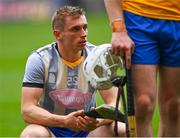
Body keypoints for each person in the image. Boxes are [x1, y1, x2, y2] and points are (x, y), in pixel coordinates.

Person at [20, 6, 125, 137]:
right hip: (52, 128)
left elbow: (114, 103)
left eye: (85, 27)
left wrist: (97, 121)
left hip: (88, 129)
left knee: (124, 130)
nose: (84, 34)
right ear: (58, 34)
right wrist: (64, 121)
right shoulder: (40, 59)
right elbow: (27, 110)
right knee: (31, 135)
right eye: (75, 29)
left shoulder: (98, 57)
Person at [104, 0, 180, 137]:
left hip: (177, 21)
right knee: (142, 103)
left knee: (174, 106)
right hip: (137, 17)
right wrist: (118, 28)